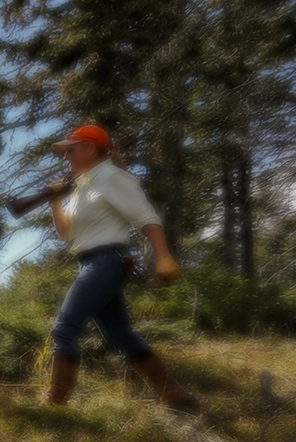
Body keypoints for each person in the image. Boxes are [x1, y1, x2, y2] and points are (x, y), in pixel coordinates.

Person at [44, 123, 197, 411]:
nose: (66, 157)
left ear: (89, 149)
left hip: (106, 261)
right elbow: (67, 234)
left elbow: (146, 217)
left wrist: (163, 256)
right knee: (121, 335)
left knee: (64, 328)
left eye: (71, 150)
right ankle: (176, 397)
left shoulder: (112, 177)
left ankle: (55, 405)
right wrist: (55, 203)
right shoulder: (83, 185)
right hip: (92, 263)